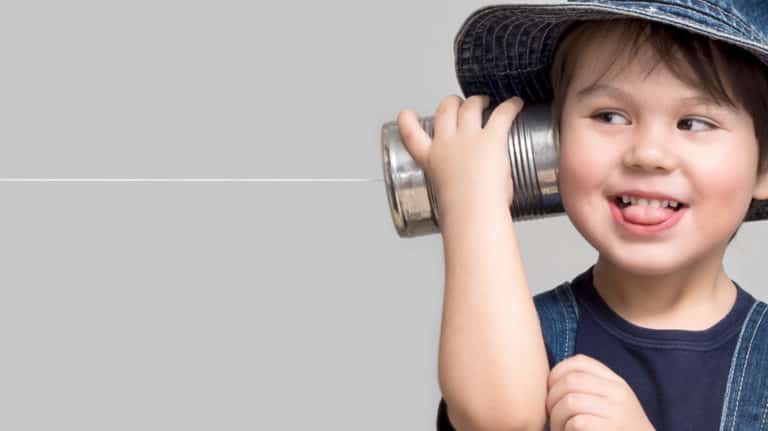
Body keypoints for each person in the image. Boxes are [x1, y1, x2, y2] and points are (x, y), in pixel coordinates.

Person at [396, 2, 768, 430]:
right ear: (552, 142)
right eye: (609, 116)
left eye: (694, 123)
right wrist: (472, 203)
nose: (648, 154)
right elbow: (499, 420)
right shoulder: (513, 333)